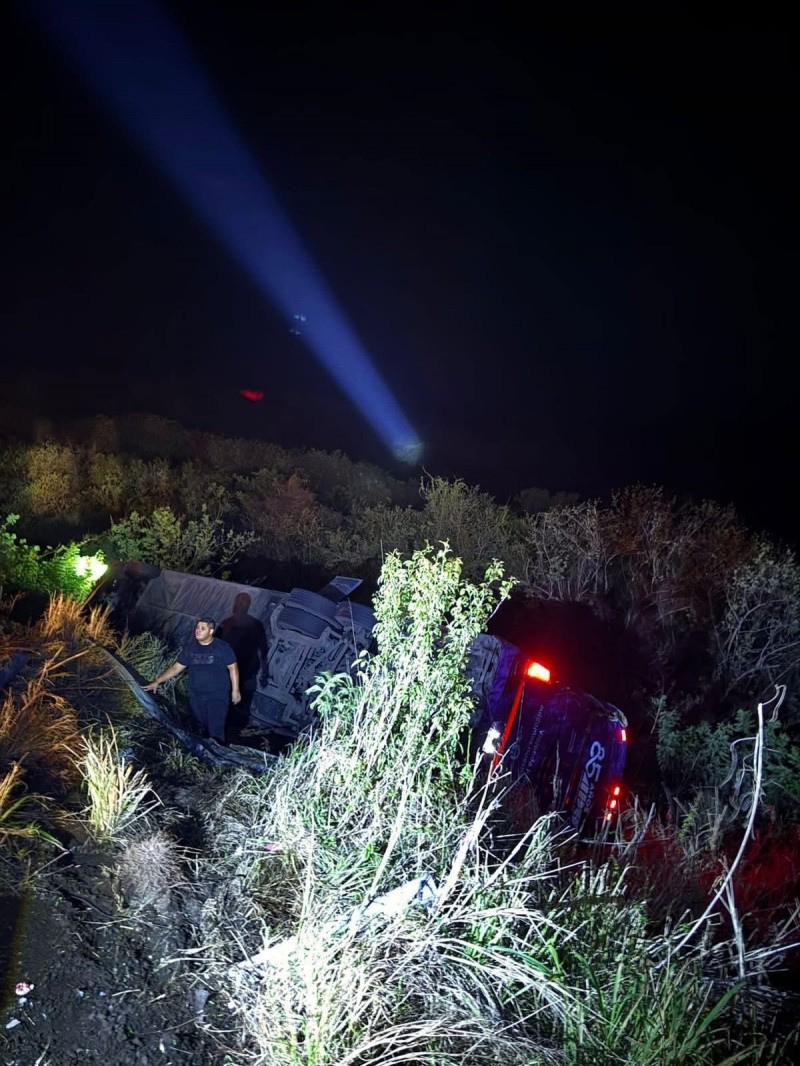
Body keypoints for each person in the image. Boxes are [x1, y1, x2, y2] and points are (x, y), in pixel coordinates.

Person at [144, 617, 240, 743]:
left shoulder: (222, 647)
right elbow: (176, 668)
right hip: (196, 696)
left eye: (202, 628)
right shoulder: (191, 648)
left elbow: (233, 668)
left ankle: (217, 751)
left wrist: (235, 690)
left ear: (211, 631)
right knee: (200, 727)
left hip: (217, 696)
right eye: (197, 627)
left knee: (215, 729)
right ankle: (202, 751)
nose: (198, 630)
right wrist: (157, 681)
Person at [216, 592, 268, 722]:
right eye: (240, 602)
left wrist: (265, 671)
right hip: (228, 669)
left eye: (244, 603)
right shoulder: (226, 624)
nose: (241, 605)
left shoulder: (255, 625)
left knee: (237, 703)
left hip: (244, 671)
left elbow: (263, 650)